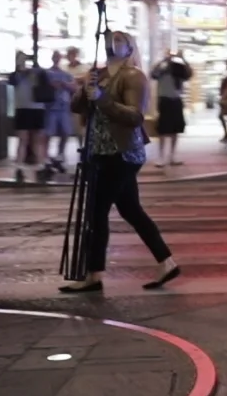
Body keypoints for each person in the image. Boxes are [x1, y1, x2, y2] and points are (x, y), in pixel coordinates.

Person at [63, 32, 181, 293]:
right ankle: (166, 262)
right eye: (110, 39)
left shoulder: (133, 76)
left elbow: (134, 117)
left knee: (96, 213)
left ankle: (93, 274)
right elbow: (76, 107)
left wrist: (101, 98)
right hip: (99, 151)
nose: (112, 43)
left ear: (129, 48)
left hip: (121, 153)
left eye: (119, 40)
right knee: (131, 210)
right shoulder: (99, 74)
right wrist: (86, 88)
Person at [7, 52, 48, 183]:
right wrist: (21, 69)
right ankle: (19, 167)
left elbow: (45, 82)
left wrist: (33, 69)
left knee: (36, 140)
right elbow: (12, 82)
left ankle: (40, 167)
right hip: (22, 108)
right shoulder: (16, 75)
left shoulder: (39, 72)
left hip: (36, 108)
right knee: (22, 139)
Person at [150, 52, 192, 167]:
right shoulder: (162, 71)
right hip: (164, 101)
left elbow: (189, 73)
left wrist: (183, 59)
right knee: (163, 129)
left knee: (175, 129)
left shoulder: (179, 71)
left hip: (176, 101)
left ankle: (172, 155)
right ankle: (161, 156)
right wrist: (164, 60)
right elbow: (153, 73)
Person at [42, 50, 78, 178]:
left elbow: (74, 87)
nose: (56, 59)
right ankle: (46, 158)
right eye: (55, 57)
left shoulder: (65, 74)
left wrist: (64, 85)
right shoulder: (47, 74)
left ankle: (60, 155)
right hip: (51, 107)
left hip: (64, 108)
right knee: (48, 134)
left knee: (66, 133)